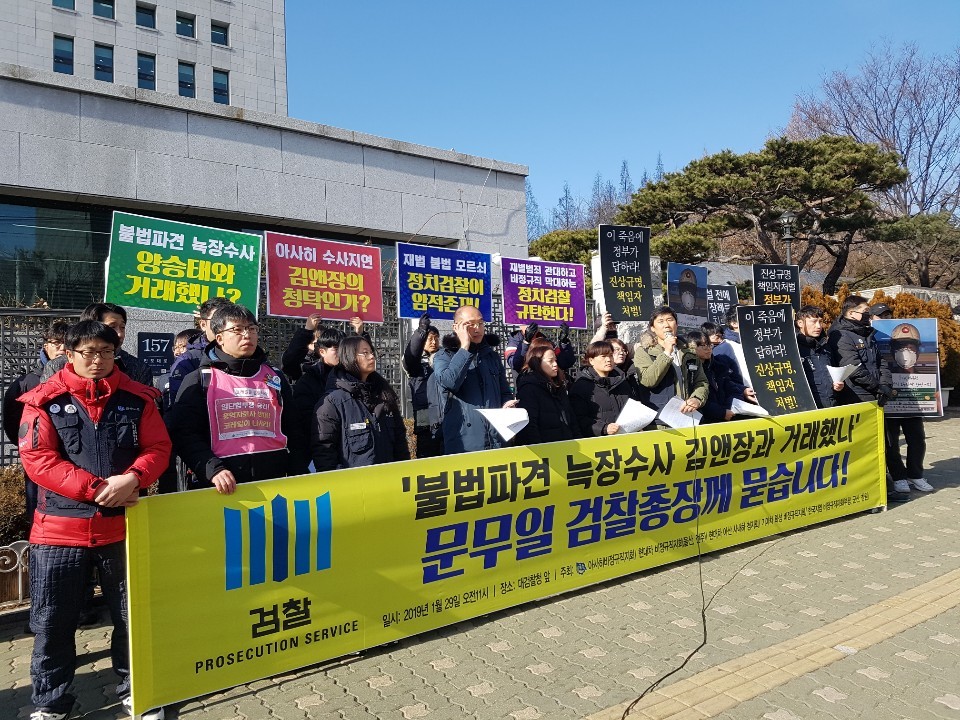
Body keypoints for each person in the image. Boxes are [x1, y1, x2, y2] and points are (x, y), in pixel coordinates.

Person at [17, 320, 171, 720]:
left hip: (123, 529)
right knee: (52, 621)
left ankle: (137, 690)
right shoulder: (43, 401)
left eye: (105, 352)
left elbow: (158, 447)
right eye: (88, 352)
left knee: (130, 617)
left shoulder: (138, 399)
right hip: (58, 533)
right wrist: (96, 488)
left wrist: (134, 477)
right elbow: (38, 460)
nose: (97, 360)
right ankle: (51, 701)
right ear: (68, 355)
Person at [165, 304, 295, 493]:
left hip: (276, 482)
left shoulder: (274, 376)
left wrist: (295, 469)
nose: (247, 335)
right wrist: (213, 469)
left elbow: (294, 427)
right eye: (237, 329)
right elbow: (185, 434)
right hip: (222, 487)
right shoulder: (200, 380)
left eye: (252, 329)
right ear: (219, 338)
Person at [828, 295, 905, 502]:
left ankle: (885, 486)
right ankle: (871, 490)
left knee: (883, 442)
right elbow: (853, 368)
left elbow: (881, 362)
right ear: (851, 313)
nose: (868, 316)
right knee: (865, 445)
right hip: (857, 396)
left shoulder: (867, 333)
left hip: (876, 395)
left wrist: (886, 385)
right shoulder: (841, 335)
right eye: (865, 312)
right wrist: (876, 386)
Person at [2, 322, 68, 531]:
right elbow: (13, 424)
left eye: (65, 343)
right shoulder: (26, 383)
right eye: (55, 343)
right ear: (45, 346)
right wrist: (31, 447)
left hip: (73, 460)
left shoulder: (83, 379)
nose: (60, 348)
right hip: (38, 462)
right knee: (39, 517)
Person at [311, 336, 410, 470]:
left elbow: (400, 443)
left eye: (372, 352)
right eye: (365, 353)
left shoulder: (384, 395)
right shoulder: (333, 402)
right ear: (349, 356)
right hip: (354, 486)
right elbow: (324, 453)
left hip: (388, 483)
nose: (371, 357)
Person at [432, 305, 515, 453]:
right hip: (464, 443)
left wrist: (507, 405)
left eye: (481, 323)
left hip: (497, 438)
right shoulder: (443, 356)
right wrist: (464, 347)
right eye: (470, 324)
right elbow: (450, 382)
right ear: (456, 327)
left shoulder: (491, 356)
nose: (477, 328)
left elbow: (504, 391)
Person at [41, 303, 154, 387]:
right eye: (112, 327)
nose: (119, 334)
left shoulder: (139, 368)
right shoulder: (57, 366)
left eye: (122, 327)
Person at [880, 318, 934, 494]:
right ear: (892, 350)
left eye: (910, 347)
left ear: (917, 351)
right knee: (891, 443)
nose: (906, 352)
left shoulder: (925, 377)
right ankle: (898, 477)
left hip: (913, 408)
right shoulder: (886, 373)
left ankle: (915, 474)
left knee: (917, 440)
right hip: (891, 408)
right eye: (900, 347)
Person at [286, 326, 346, 474]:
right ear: (322, 351)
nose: (342, 354)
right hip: (317, 453)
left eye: (345, 348)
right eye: (337, 349)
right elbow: (303, 422)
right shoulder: (308, 380)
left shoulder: (353, 378)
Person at [633, 306, 709, 417]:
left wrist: (697, 399)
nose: (666, 325)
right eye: (660, 321)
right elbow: (648, 380)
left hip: (690, 416)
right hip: (661, 420)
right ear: (653, 328)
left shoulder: (689, 352)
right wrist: (667, 353)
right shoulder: (644, 351)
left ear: (676, 324)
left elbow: (701, 381)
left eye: (670, 320)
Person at [166, 297, 236, 410]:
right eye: (217, 320)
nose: (224, 326)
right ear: (203, 325)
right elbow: (179, 407)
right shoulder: (187, 361)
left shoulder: (247, 355)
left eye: (229, 320)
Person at [568, 341, 638, 436]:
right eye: (603, 356)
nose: (608, 360)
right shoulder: (581, 387)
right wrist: (603, 428)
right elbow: (579, 419)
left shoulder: (622, 381)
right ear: (591, 360)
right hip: (599, 443)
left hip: (626, 438)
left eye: (610, 355)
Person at [515, 343, 581, 444]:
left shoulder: (559, 386)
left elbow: (571, 420)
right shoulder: (529, 388)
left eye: (555, 360)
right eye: (550, 361)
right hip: (545, 452)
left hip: (568, 448)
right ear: (537, 363)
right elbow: (529, 427)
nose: (555, 364)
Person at [684, 330, 753, 422]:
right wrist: (721, 413)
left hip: (727, 415)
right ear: (691, 347)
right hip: (704, 420)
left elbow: (732, 390)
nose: (708, 348)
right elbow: (696, 398)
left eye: (709, 344)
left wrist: (729, 408)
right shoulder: (688, 371)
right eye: (703, 346)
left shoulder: (718, 366)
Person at [402, 312, 444, 458]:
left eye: (436, 338)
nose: (434, 342)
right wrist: (421, 331)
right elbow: (411, 354)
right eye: (430, 338)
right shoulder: (415, 364)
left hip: (446, 418)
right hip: (426, 421)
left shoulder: (444, 359)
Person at [795, 305, 844, 409]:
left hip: (831, 405)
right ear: (800, 323)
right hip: (807, 408)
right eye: (813, 322)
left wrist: (838, 385)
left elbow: (832, 373)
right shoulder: (793, 349)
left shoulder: (826, 346)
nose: (818, 326)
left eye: (820, 322)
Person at [504, 322, 575, 374]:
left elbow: (564, 363)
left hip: (547, 384)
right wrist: (526, 342)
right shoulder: (514, 340)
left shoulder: (544, 339)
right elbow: (515, 364)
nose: (531, 324)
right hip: (527, 386)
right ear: (520, 325)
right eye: (526, 321)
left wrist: (564, 342)